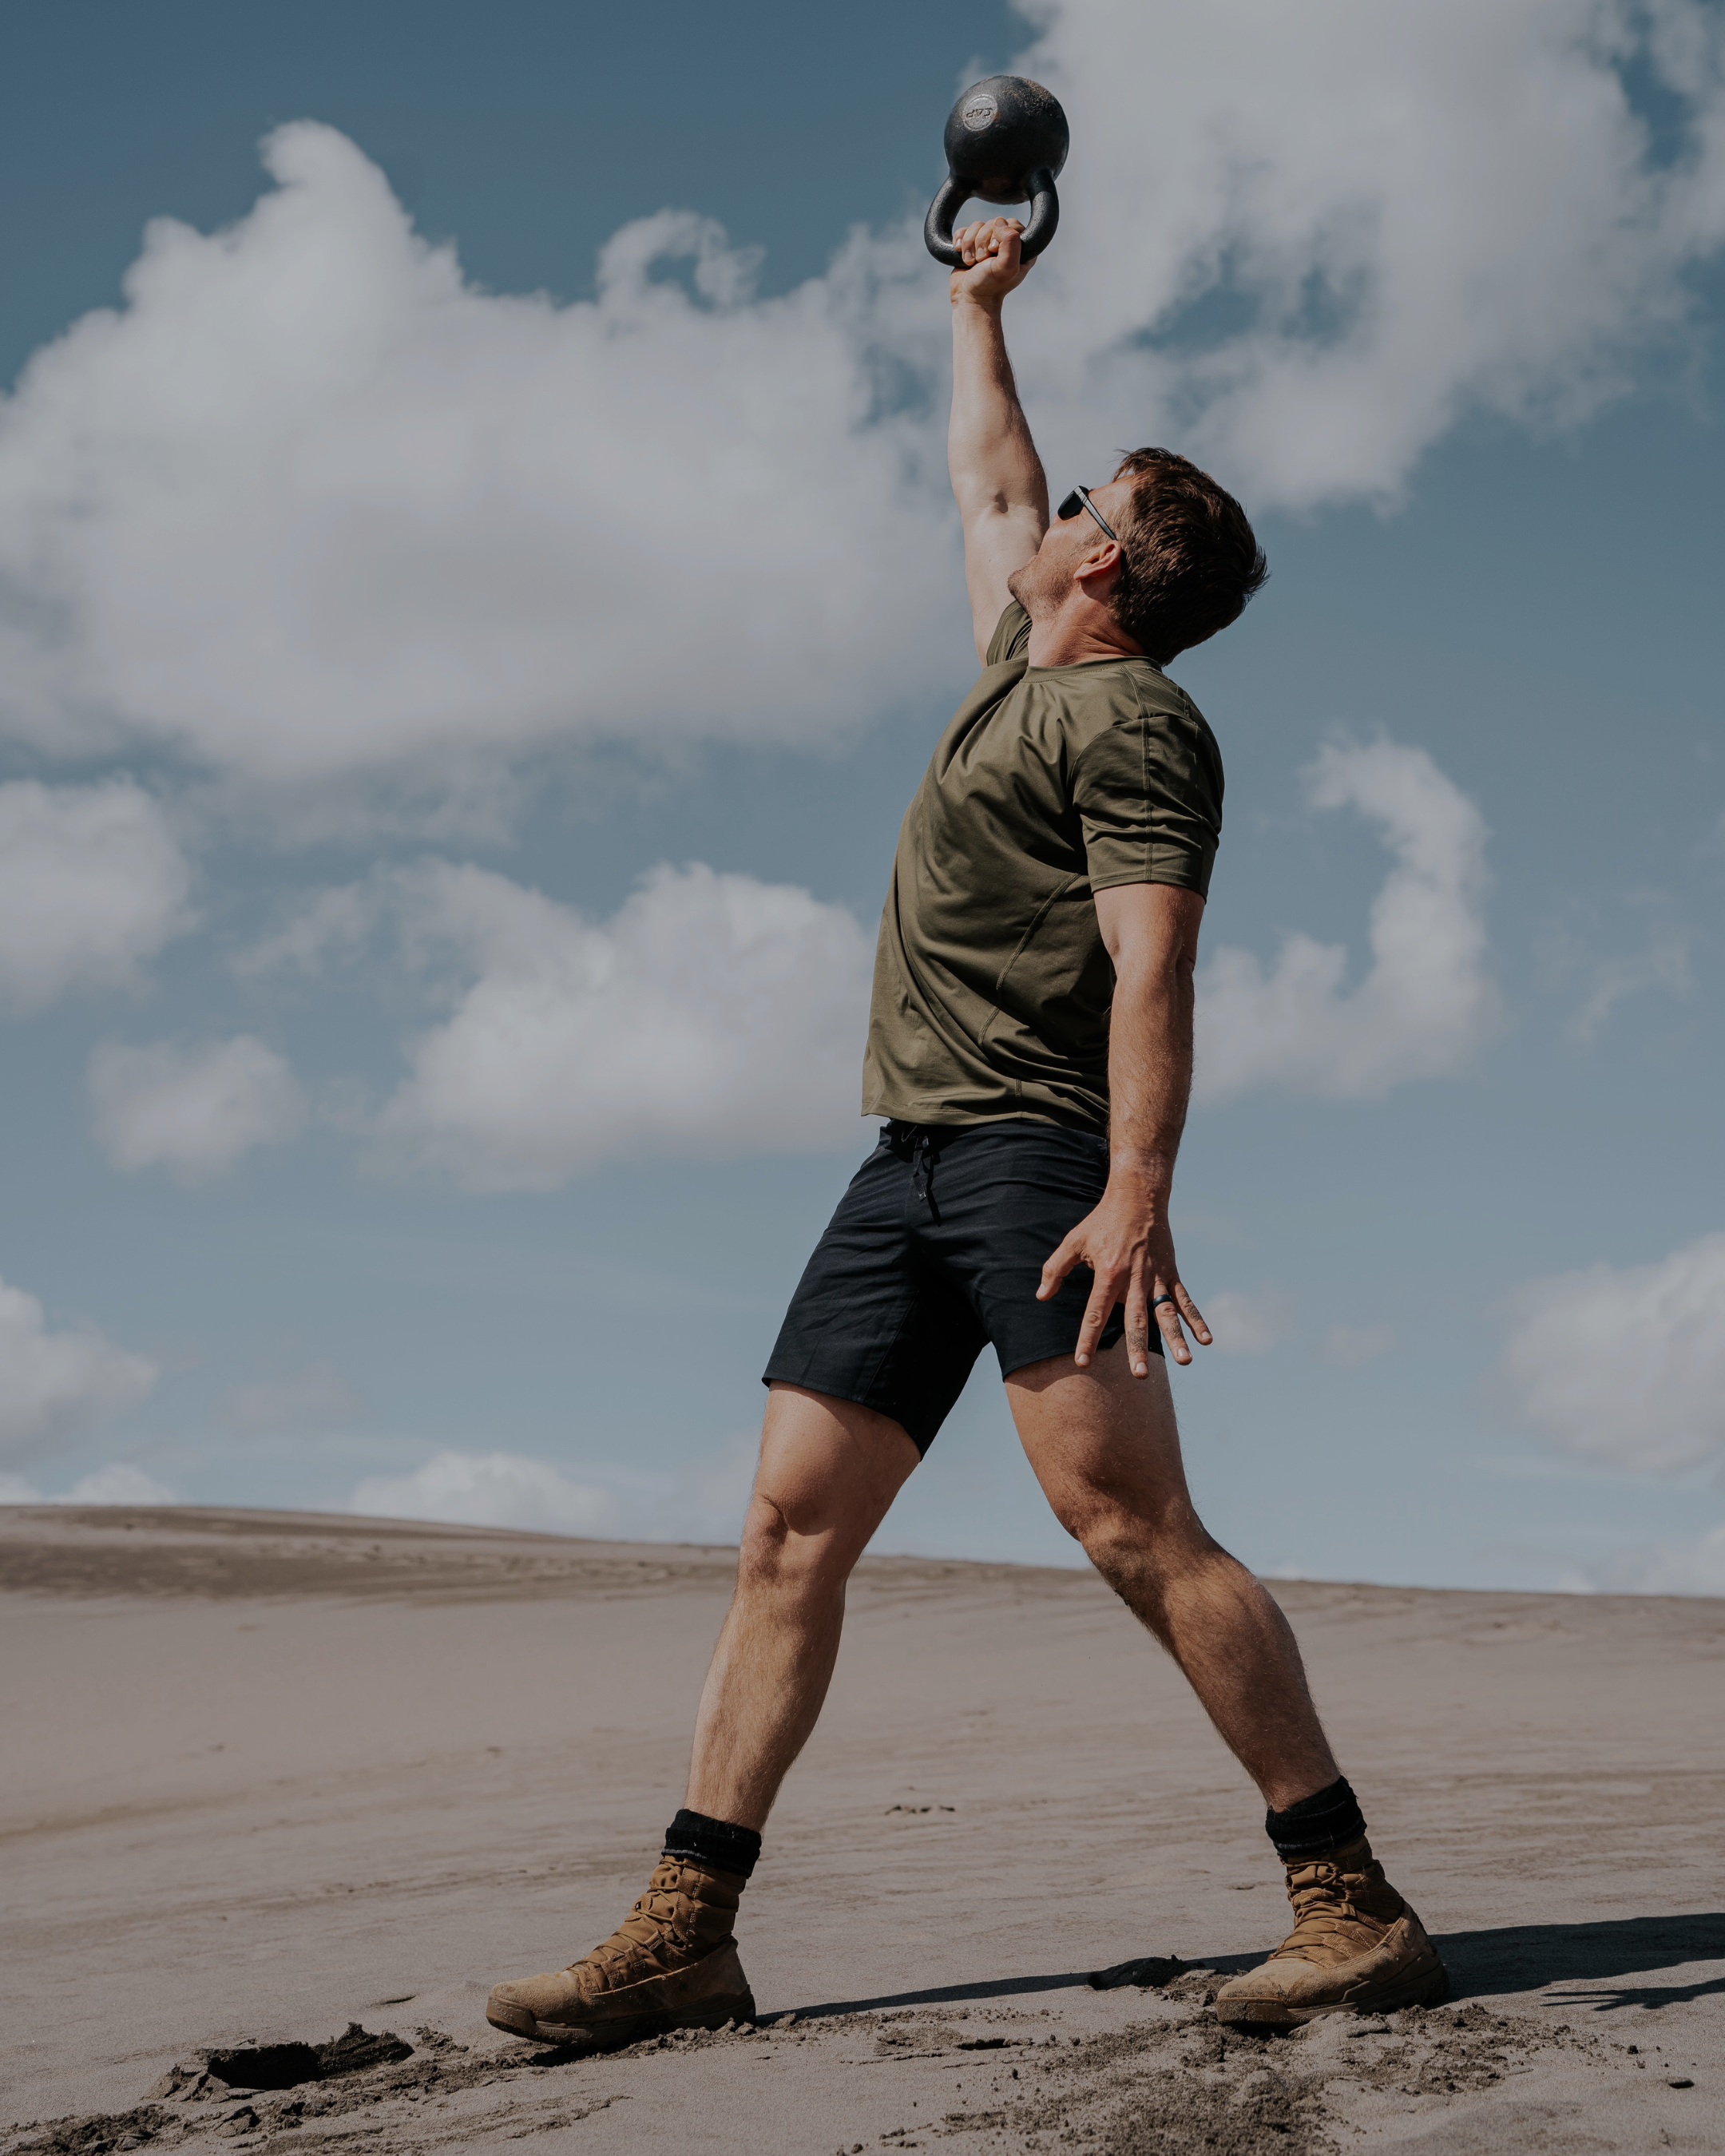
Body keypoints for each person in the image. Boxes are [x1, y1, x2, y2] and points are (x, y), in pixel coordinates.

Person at [487, 216, 1447, 2046]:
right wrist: (976, 309)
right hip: (905, 1162)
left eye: (1087, 495)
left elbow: (1155, 968)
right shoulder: (1020, 656)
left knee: (1130, 1520)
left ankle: (1350, 1900)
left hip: (1030, 1158)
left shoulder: (1139, 726)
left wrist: (1136, 1194)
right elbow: (985, 464)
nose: (1050, 500)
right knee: (785, 1536)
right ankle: (689, 1928)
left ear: (1110, 558)